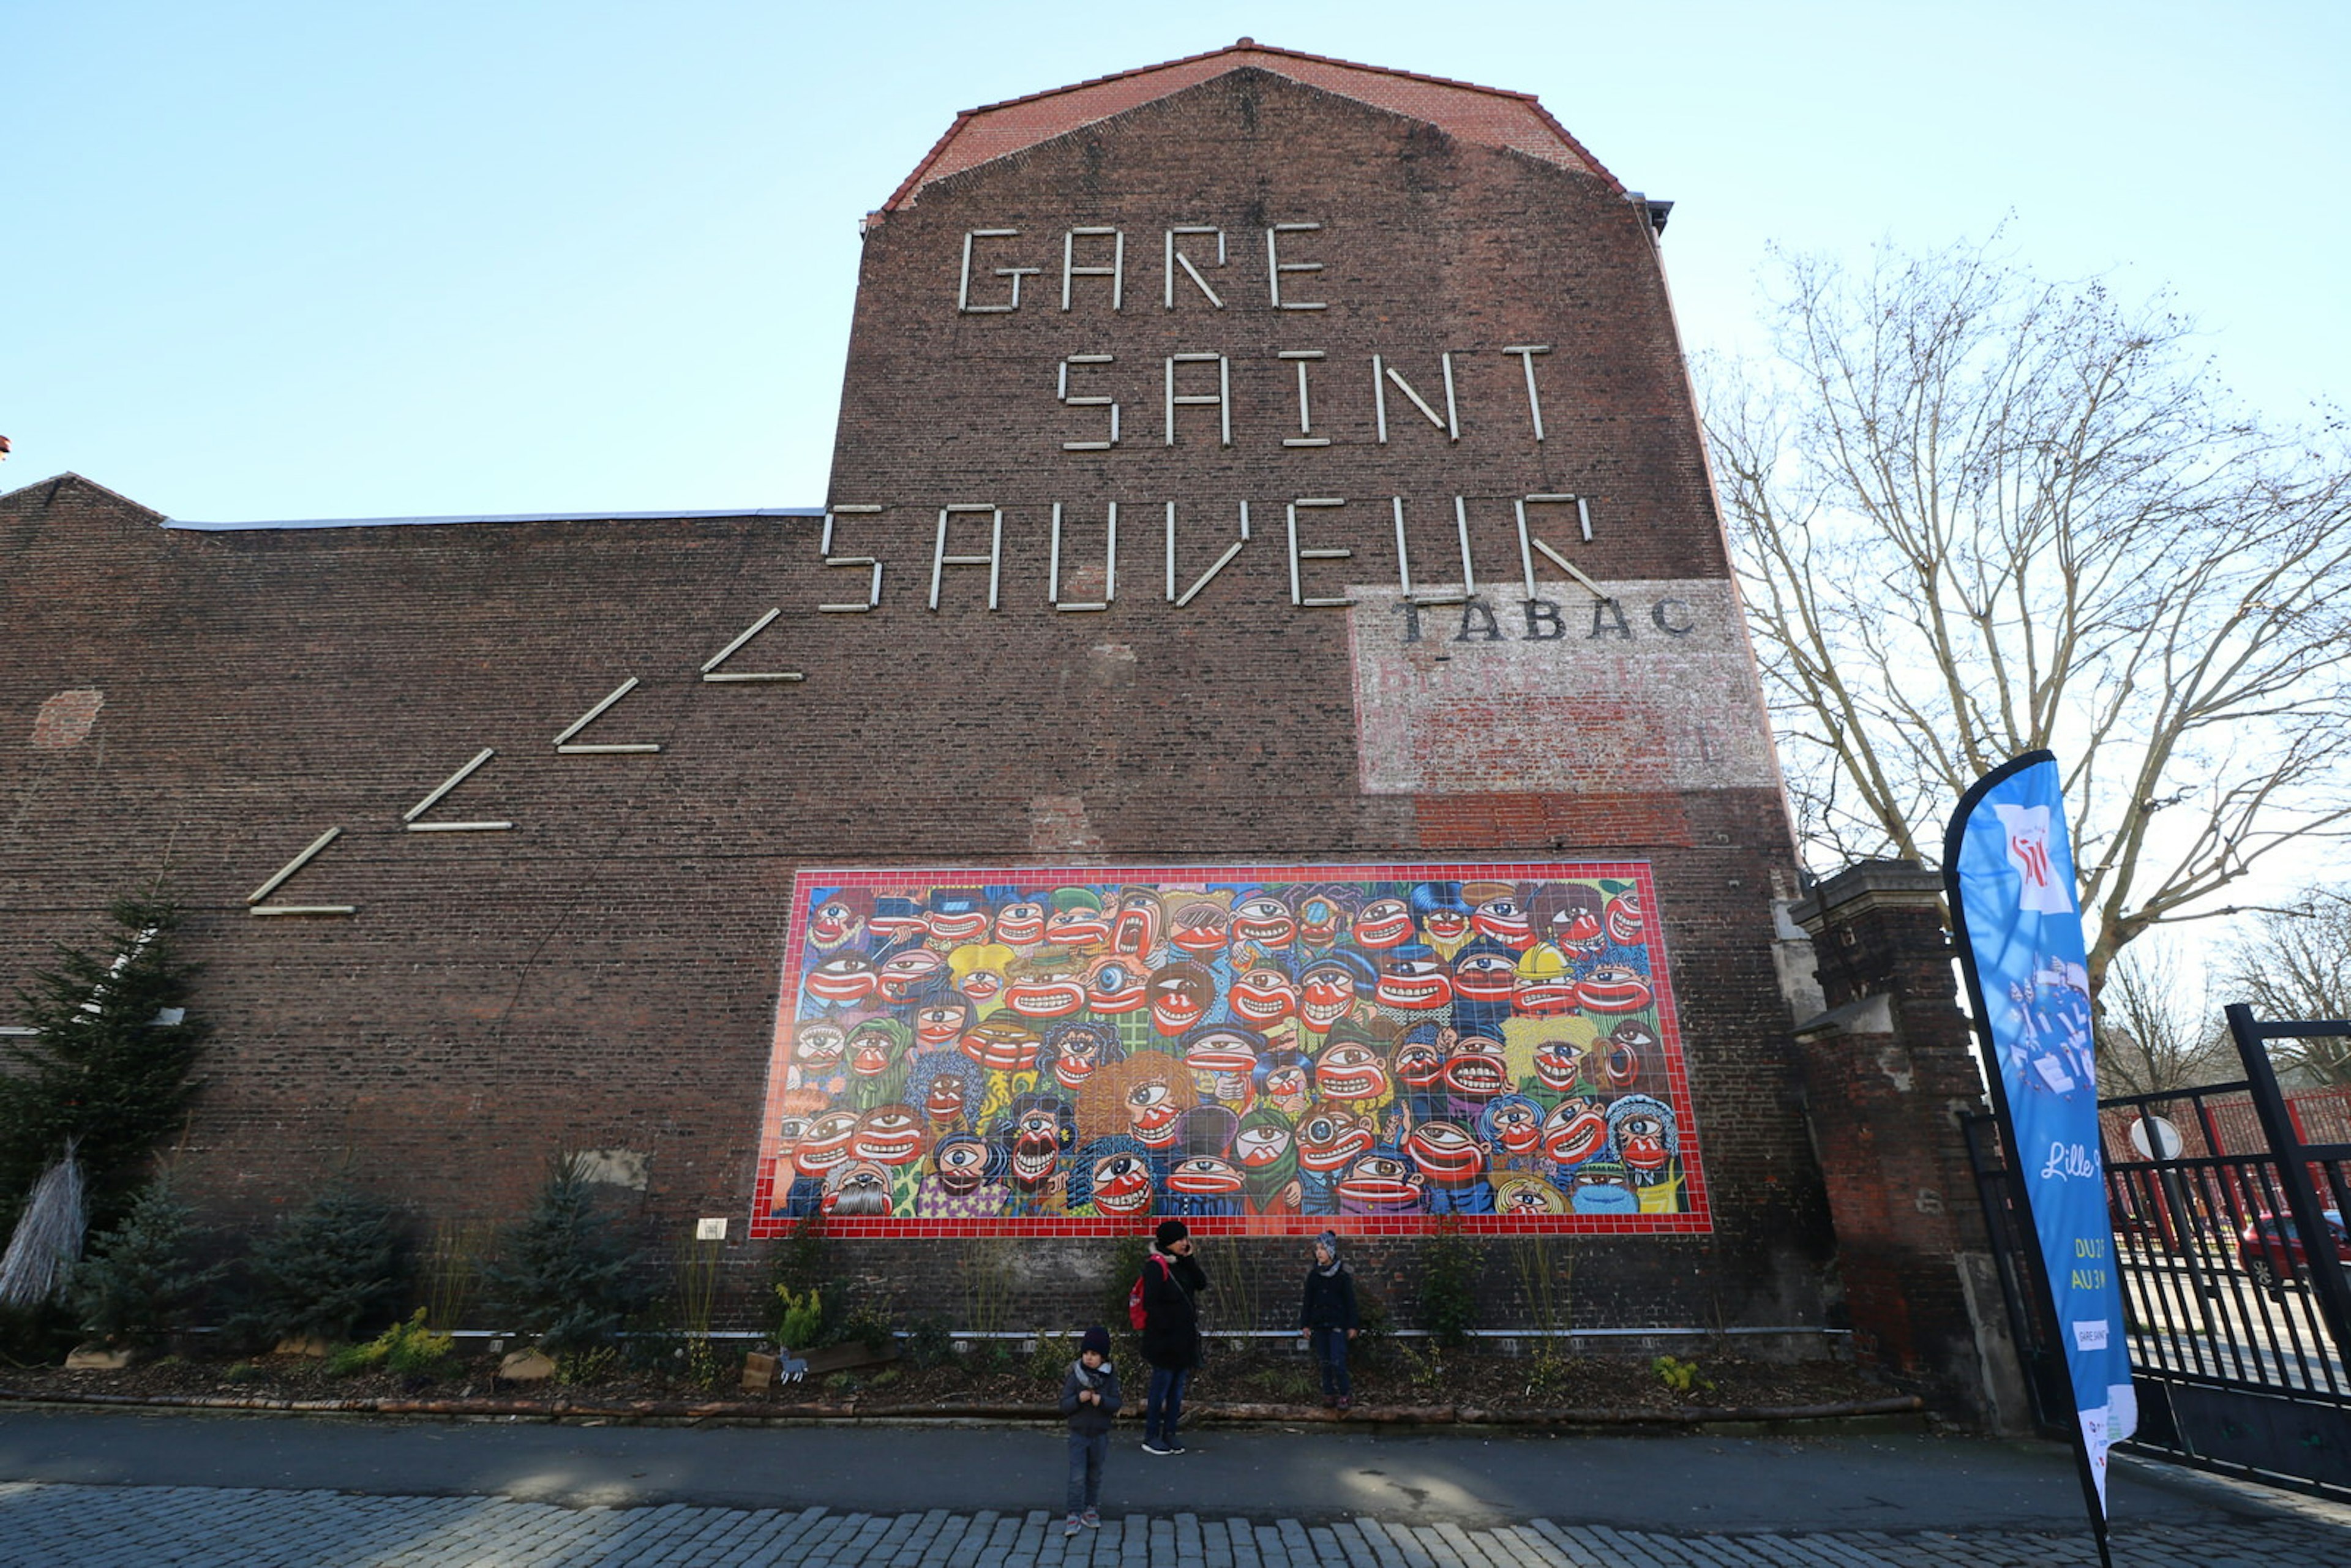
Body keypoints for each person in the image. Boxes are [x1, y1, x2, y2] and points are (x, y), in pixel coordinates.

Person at [1138, 1217, 1209, 1455]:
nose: (1184, 1242)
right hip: (1164, 1340)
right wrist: (1167, 1327)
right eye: (1180, 1239)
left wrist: (1189, 1258)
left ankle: (1170, 1433)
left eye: (1185, 1238)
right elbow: (1151, 1302)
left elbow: (1201, 1283)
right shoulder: (1156, 1266)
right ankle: (1151, 1435)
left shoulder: (1182, 1263)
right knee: (1160, 1389)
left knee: (1177, 1391)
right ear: (1168, 1241)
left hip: (1184, 1340)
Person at [1059, 1324, 1121, 1532]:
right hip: (1079, 1434)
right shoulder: (1076, 1376)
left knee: (1095, 1475)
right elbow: (1065, 1406)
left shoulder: (1109, 1377)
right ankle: (1073, 1512)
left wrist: (1101, 1401)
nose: (1089, 1358)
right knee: (1077, 1476)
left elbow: (1116, 1404)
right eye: (1086, 1353)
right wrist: (1079, 1399)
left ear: (1103, 1357)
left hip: (1100, 1435)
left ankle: (1090, 1508)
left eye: (1094, 1354)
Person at [1297, 1229, 1359, 1408]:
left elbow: (1350, 1302)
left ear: (1331, 1251)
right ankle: (1329, 1394)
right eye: (1317, 1249)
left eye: (1323, 1249)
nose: (1319, 1253)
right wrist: (1306, 1324)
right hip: (1319, 1325)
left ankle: (1345, 1394)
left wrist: (1352, 1325)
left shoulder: (1342, 1277)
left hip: (1337, 1324)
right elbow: (1307, 1301)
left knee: (1338, 1361)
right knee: (1324, 1362)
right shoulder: (1314, 1277)